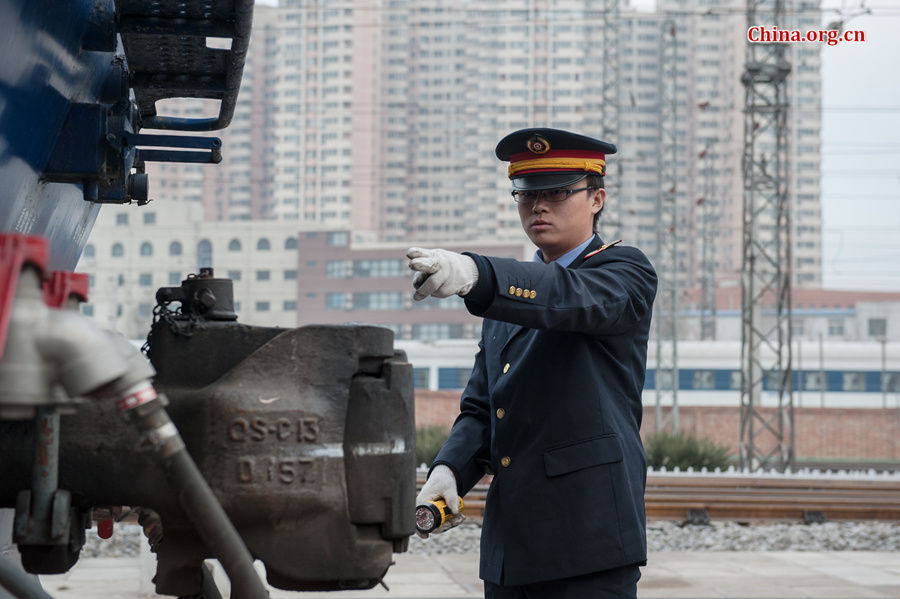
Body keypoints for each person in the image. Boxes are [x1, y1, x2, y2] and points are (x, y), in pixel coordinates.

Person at [407, 128, 657, 599]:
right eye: (526, 194)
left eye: (558, 192)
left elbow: (568, 298)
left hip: (588, 541)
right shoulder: (508, 298)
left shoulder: (625, 272)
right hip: (511, 549)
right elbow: (484, 407)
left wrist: (478, 273)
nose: (539, 206)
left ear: (597, 198)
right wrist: (450, 470)